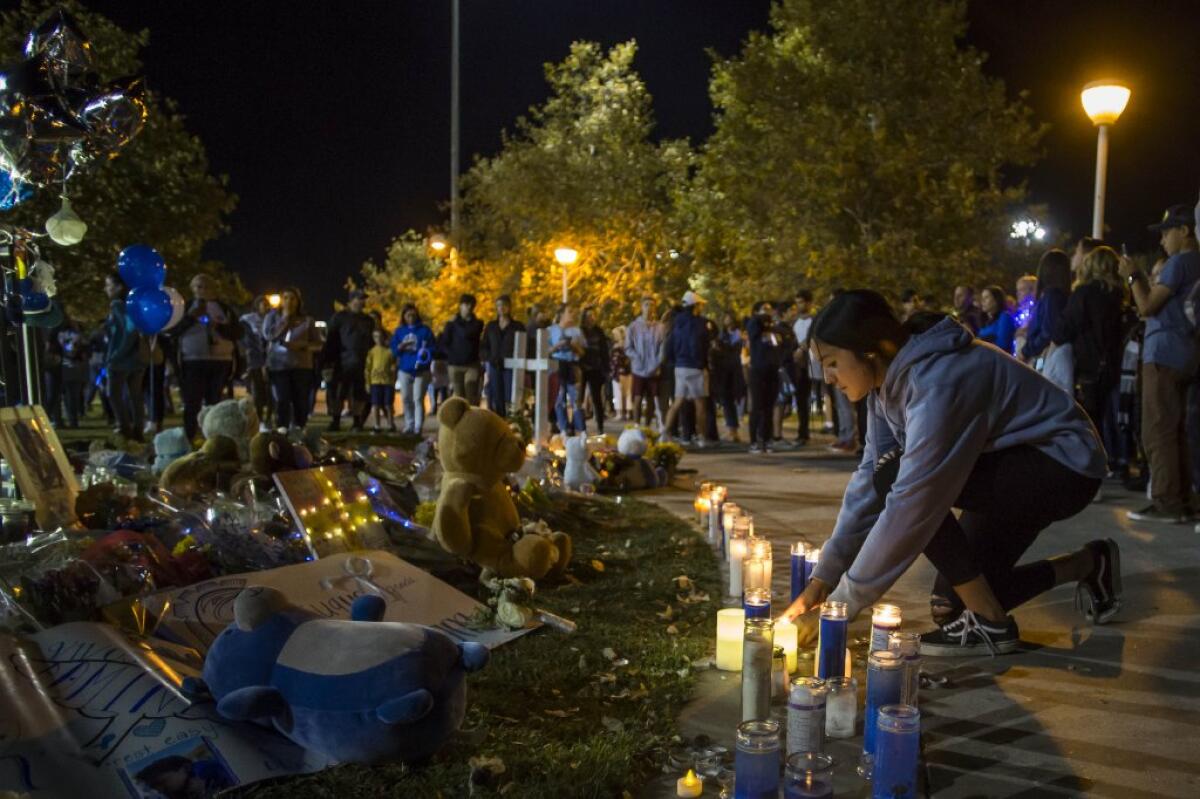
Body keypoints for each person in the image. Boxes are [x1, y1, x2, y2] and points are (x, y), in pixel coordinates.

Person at [779, 290, 1119, 657]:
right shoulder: (883, 387)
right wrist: (823, 580)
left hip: (1061, 466)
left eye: (831, 363)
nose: (828, 378)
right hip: (1003, 466)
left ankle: (992, 623)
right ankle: (1088, 563)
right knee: (952, 605)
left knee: (895, 477)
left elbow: (913, 499)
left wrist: (843, 605)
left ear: (867, 350)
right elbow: (866, 483)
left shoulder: (940, 379)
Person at [1119, 204, 1200, 523]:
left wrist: (1133, 275)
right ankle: (1183, 498)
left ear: (1185, 231)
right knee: (1178, 429)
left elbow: (1147, 306)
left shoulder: (1179, 264)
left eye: (1167, 232)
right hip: (1188, 353)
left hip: (1164, 353)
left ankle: (1167, 502)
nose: (1162, 240)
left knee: (1158, 430)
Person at [1055, 246, 1123, 435]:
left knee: (1088, 419)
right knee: (1109, 417)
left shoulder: (1084, 293)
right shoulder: (1118, 296)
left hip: (1089, 365)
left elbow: (1064, 328)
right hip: (1113, 366)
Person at [174, 274, 239, 441]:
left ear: (213, 289)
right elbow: (173, 331)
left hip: (220, 362)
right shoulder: (185, 307)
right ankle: (189, 437)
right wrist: (191, 317)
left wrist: (218, 327)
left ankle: (213, 439)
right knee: (192, 401)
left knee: (214, 402)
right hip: (193, 361)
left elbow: (237, 333)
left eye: (204, 286)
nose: (200, 290)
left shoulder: (224, 309)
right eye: (197, 287)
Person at [262, 287, 323, 431]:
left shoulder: (307, 320)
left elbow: (318, 344)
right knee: (282, 399)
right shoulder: (272, 317)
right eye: (286, 298)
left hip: (301, 366)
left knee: (300, 401)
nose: (289, 301)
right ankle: (282, 429)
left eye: (292, 298)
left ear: (298, 301)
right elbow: (269, 336)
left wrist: (302, 346)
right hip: (278, 366)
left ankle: (299, 428)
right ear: (281, 301)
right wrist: (285, 320)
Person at [663, 291, 712, 446]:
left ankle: (665, 432)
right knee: (700, 403)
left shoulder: (676, 322)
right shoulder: (700, 323)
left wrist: (673, 360)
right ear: (695, 306)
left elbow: (669, 344)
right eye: (700, 305)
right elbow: (700, 344)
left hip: (679, 366)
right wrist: (702, 363)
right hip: (695, 366)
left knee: (677, 402)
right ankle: (701, 437)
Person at [322, 289, 375, 432]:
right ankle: (336, 421)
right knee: (339, 393)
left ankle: (357, 422)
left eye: (363, 299)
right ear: (351, 301)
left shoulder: (368, 320)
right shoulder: (339, 318)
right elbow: (331, 340)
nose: (362, 302)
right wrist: (328, 361)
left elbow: (372, 342)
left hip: (362, 363)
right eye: (359, 298)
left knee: (359, 394)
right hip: (342, 362)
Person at [102, 272, 146, 440]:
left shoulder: (117, 305)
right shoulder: (134, 305)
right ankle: (138, 429)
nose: (106, 289)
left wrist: (116, 354)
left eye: (109, 285)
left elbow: (129, 330)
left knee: (113, 393)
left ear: (119, 287)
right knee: (135, 395)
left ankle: (124, 426)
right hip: (137, 359)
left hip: (121, 359)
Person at [1020, 249, 1072, 365]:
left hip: (1042, 357)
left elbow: (1048, 331)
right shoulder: (1060, 295)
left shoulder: (1051, 296)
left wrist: (1026, 351)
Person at [390, 304, 435, 434]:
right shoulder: (399, 331)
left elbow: (433, 347)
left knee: (418, 398)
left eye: (413, 315)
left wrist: (426, 353)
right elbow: (394, 350)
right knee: (406, 398)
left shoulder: (425, 331)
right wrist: (400, 346)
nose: (411, 317)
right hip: (405, 369)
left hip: (421, 370)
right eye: (408, 315)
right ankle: (409, 424)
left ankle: (418, 427)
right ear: (404, 316)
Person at [745, 301, 782, 453]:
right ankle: (754, 441)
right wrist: (762, 320)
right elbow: (753, 331)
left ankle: (767, 439)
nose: (768, 312)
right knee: (757, 406)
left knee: (769, 407)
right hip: (757, 370)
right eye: (764, 309)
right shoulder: (754, 323)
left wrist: (772, 325)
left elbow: (779, 341)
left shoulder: (773, 327)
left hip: (772, 370)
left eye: (769, 309)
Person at [480, 295, 525, 418]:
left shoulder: (517, 326)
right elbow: (484, 346)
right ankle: (500, 420)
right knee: (496, 395)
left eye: (504, 305)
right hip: (495, 365)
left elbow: (523, 345)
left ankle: (513, 421)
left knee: (511, 395)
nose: (501, 308)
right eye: (499, 305)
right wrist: (489, 358)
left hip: (512, 366)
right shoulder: (491, 326)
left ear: (509, 307)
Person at [626, 296, 664, 429]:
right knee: (637, 398)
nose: (649, 307)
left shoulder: (660, 327)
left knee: (652, 399)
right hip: (639, 369)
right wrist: (637, 358)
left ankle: (647, 426)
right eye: (646, 304)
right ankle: (636, 425)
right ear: (641, 307)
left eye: (652, 305)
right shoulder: (633, 327)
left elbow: (662, 347)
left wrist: (657, 363)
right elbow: (628, 347)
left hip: (654, 369)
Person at [548, 303, 586, 434]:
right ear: (561, 314)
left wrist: (574, 346)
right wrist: (558, 345)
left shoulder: (577, 331)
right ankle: (564, 428)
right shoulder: (551, 330)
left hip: (572, 365)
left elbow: (582, 353)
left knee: (575, 398)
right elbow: (546, 351)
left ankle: (580, 428)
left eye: (573, 312)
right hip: (557, 365)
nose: (573, 314)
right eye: (570, 311)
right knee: (559, 398)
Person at [439, 293, 484, 404]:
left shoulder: (477, 323)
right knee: (459, 397)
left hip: (471, 365)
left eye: (471, 304)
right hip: (454, 365)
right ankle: (461, 420)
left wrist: (455, 322)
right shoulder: (450, 324)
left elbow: (466, 334)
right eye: (466, 304)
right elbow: (444, 342)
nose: (469, 307)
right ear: (461, 305)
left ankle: (472, 419)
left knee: (471, 394)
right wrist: (451, 355)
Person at [711, 311, 745, 443]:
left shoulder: (739, 334)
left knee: (737, 400)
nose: (728, 321)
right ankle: (732, 430)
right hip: (723, 372)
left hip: (736, 370)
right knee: (726, 401)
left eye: (730, 318)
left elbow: (739, 350)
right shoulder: (721, 336)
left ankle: (734, 429)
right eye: (726, 318)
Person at [241, 295, 273, 430]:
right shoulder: (248, 320)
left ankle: (269, 418)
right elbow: (243, 338)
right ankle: (259, 418)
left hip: (272, 359)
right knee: (257, 391)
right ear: (257, 305)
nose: (265, 306)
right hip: (255, 360)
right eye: (262, 303)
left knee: (272, 391)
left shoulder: (273, 319)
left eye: (267, 304)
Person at [579, 306, 611, 433]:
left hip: (596, 368)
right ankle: (579, 426)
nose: (591, 318)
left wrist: (606, 369)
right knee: (579, 398)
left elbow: (604, 352)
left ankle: (600, 425)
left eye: (593, 316)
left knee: (596, 398)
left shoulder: (599, 332)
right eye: (588, 316)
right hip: (582, 368)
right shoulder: (580, 331)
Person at [791, 290, 815, 445]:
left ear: (809, 303)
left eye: (802, 302)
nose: (799, 305)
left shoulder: (814, 320)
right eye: (797, 302)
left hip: (813, 363)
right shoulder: (795, 322)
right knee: (800, 400)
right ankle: (802, 432)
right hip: (798, 366)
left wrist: (803, 348)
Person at [364, 327, 398, 432]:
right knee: (376, 404)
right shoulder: (372, 352)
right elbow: (368, 368)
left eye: (380, 336)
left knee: (388, 404)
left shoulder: (389, 352)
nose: (378, 339)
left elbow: (394, 364)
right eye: (375, 337)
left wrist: (393, 373)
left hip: (387, 382)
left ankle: (390, 424)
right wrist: (368, 383)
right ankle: (377, 425)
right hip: (375, 382)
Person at [58, 321, 89, 429]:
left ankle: (72, 420)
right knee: (72, 396)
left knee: (70, 396)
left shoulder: (61, 335)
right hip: (72, 368)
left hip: (68, 368)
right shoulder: (77, 336)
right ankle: (73, 420)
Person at [977, 285, 1016, 354]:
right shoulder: (986, 320)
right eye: (982, 298)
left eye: (986, 297)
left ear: (996, 299)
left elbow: (1002, 344)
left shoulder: (1004, 317)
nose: (982, 301)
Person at [609, 325, 633, 421]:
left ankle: (620, 412)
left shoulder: (617, 347)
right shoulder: (628, 346)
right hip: (627, 372)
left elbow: (614, 361)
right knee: (628, 393)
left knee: (619, 393)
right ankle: (627, 412)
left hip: (619, 372)